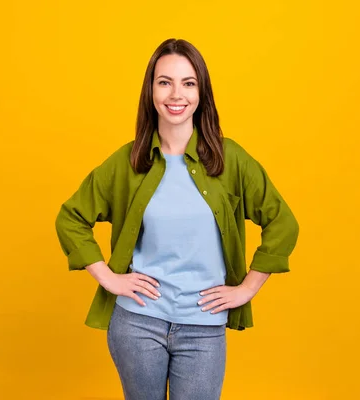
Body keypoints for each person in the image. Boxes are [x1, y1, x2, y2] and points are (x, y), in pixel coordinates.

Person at [55, 38, 299, 400]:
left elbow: (283, 222)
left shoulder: (230, 160)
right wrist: (109, 278)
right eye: (164, 81)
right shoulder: (128, 162)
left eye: (188, 83)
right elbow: (71, 217)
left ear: (201, 92)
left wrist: (247, 288)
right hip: (137, 323)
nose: (176, 94)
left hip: (203, 328)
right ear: (151, 90)